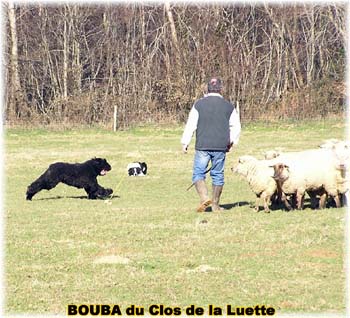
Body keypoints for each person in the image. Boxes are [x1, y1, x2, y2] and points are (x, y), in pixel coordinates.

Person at [181, 77, 241, 212]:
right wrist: (231, 142)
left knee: (198, 173)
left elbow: (191, 125)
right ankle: (215, 205)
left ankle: (204, 198)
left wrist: (185, 142)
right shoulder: (228, 106)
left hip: (203, 145)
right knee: (218, 174)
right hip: (220, 146)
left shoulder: (199, 105)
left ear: (207, 89)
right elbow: (236, 127)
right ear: (221, 89)